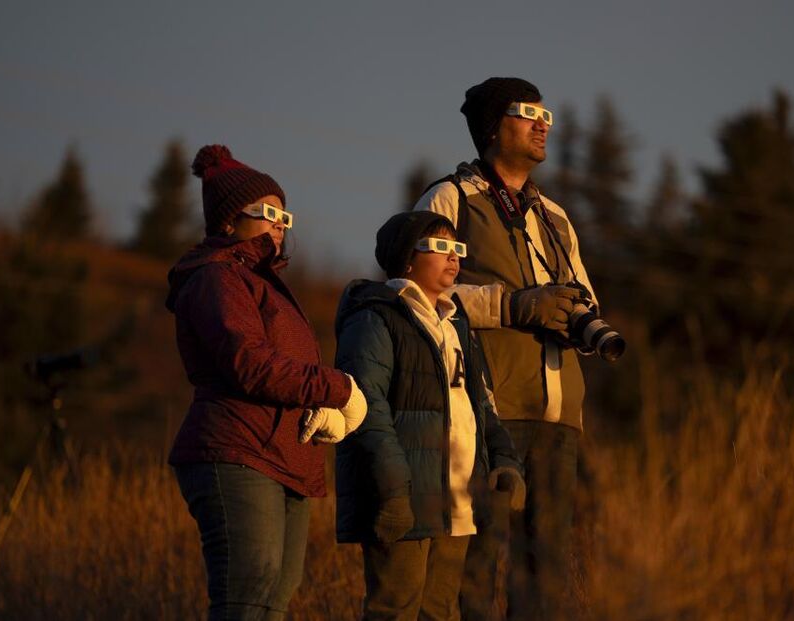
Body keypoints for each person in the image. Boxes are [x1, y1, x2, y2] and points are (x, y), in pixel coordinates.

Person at [413, 77, 599, 620]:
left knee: (545, 574)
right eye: (527, 113)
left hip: (558, 414)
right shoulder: (451, 198)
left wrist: (580, 319)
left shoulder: (556, 217)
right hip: (486, 409)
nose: (543, 124)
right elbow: (417, 294)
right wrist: (514, 306)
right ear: (494, 126)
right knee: (478, 562)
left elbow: (587, 299)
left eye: (548, 114)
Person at [165, 144, 368, 621]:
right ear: (229, 221)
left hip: (284, 457)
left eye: (284, 215)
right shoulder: (218, 277)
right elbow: (249, 362)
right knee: (247, 594)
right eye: (267, 213)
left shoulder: (259, 279)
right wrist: (337, 388)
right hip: (236, 449)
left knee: (274, 599)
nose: (280, 224)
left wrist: (324, 407)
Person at [334, 211, 526, 621]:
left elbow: (482, 404)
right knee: (394, 610)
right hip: (403, 498)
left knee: (440, 612)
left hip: (456, 498)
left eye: (457, 248)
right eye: (439, 247)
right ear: (406, 259)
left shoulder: (456, 323)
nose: (453, 257)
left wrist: (505, 461)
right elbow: (366, 405)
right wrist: (393, 488)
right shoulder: (376, 316)